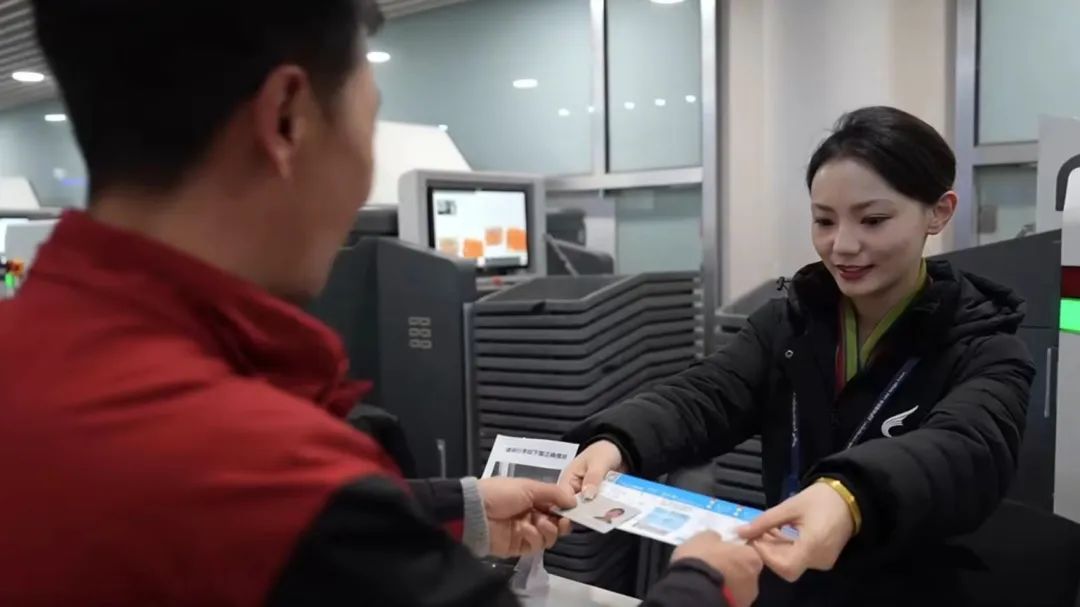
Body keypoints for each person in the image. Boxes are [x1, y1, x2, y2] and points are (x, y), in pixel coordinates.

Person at [0, 1, 763, 606]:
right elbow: (298, 517)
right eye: (366, 120)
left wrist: (451, 507)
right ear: (287, 119)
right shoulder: (275, 474)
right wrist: (705, 581)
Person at [562, 106, 1036, 606]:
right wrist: (618, 440)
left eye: (873, 220)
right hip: (787, 582)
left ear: (938, 212)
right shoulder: (787, 325)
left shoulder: (986, 345)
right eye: (824, 220)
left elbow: (967, 447)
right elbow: (706, 395)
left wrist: (849, 496)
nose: (842, 246)